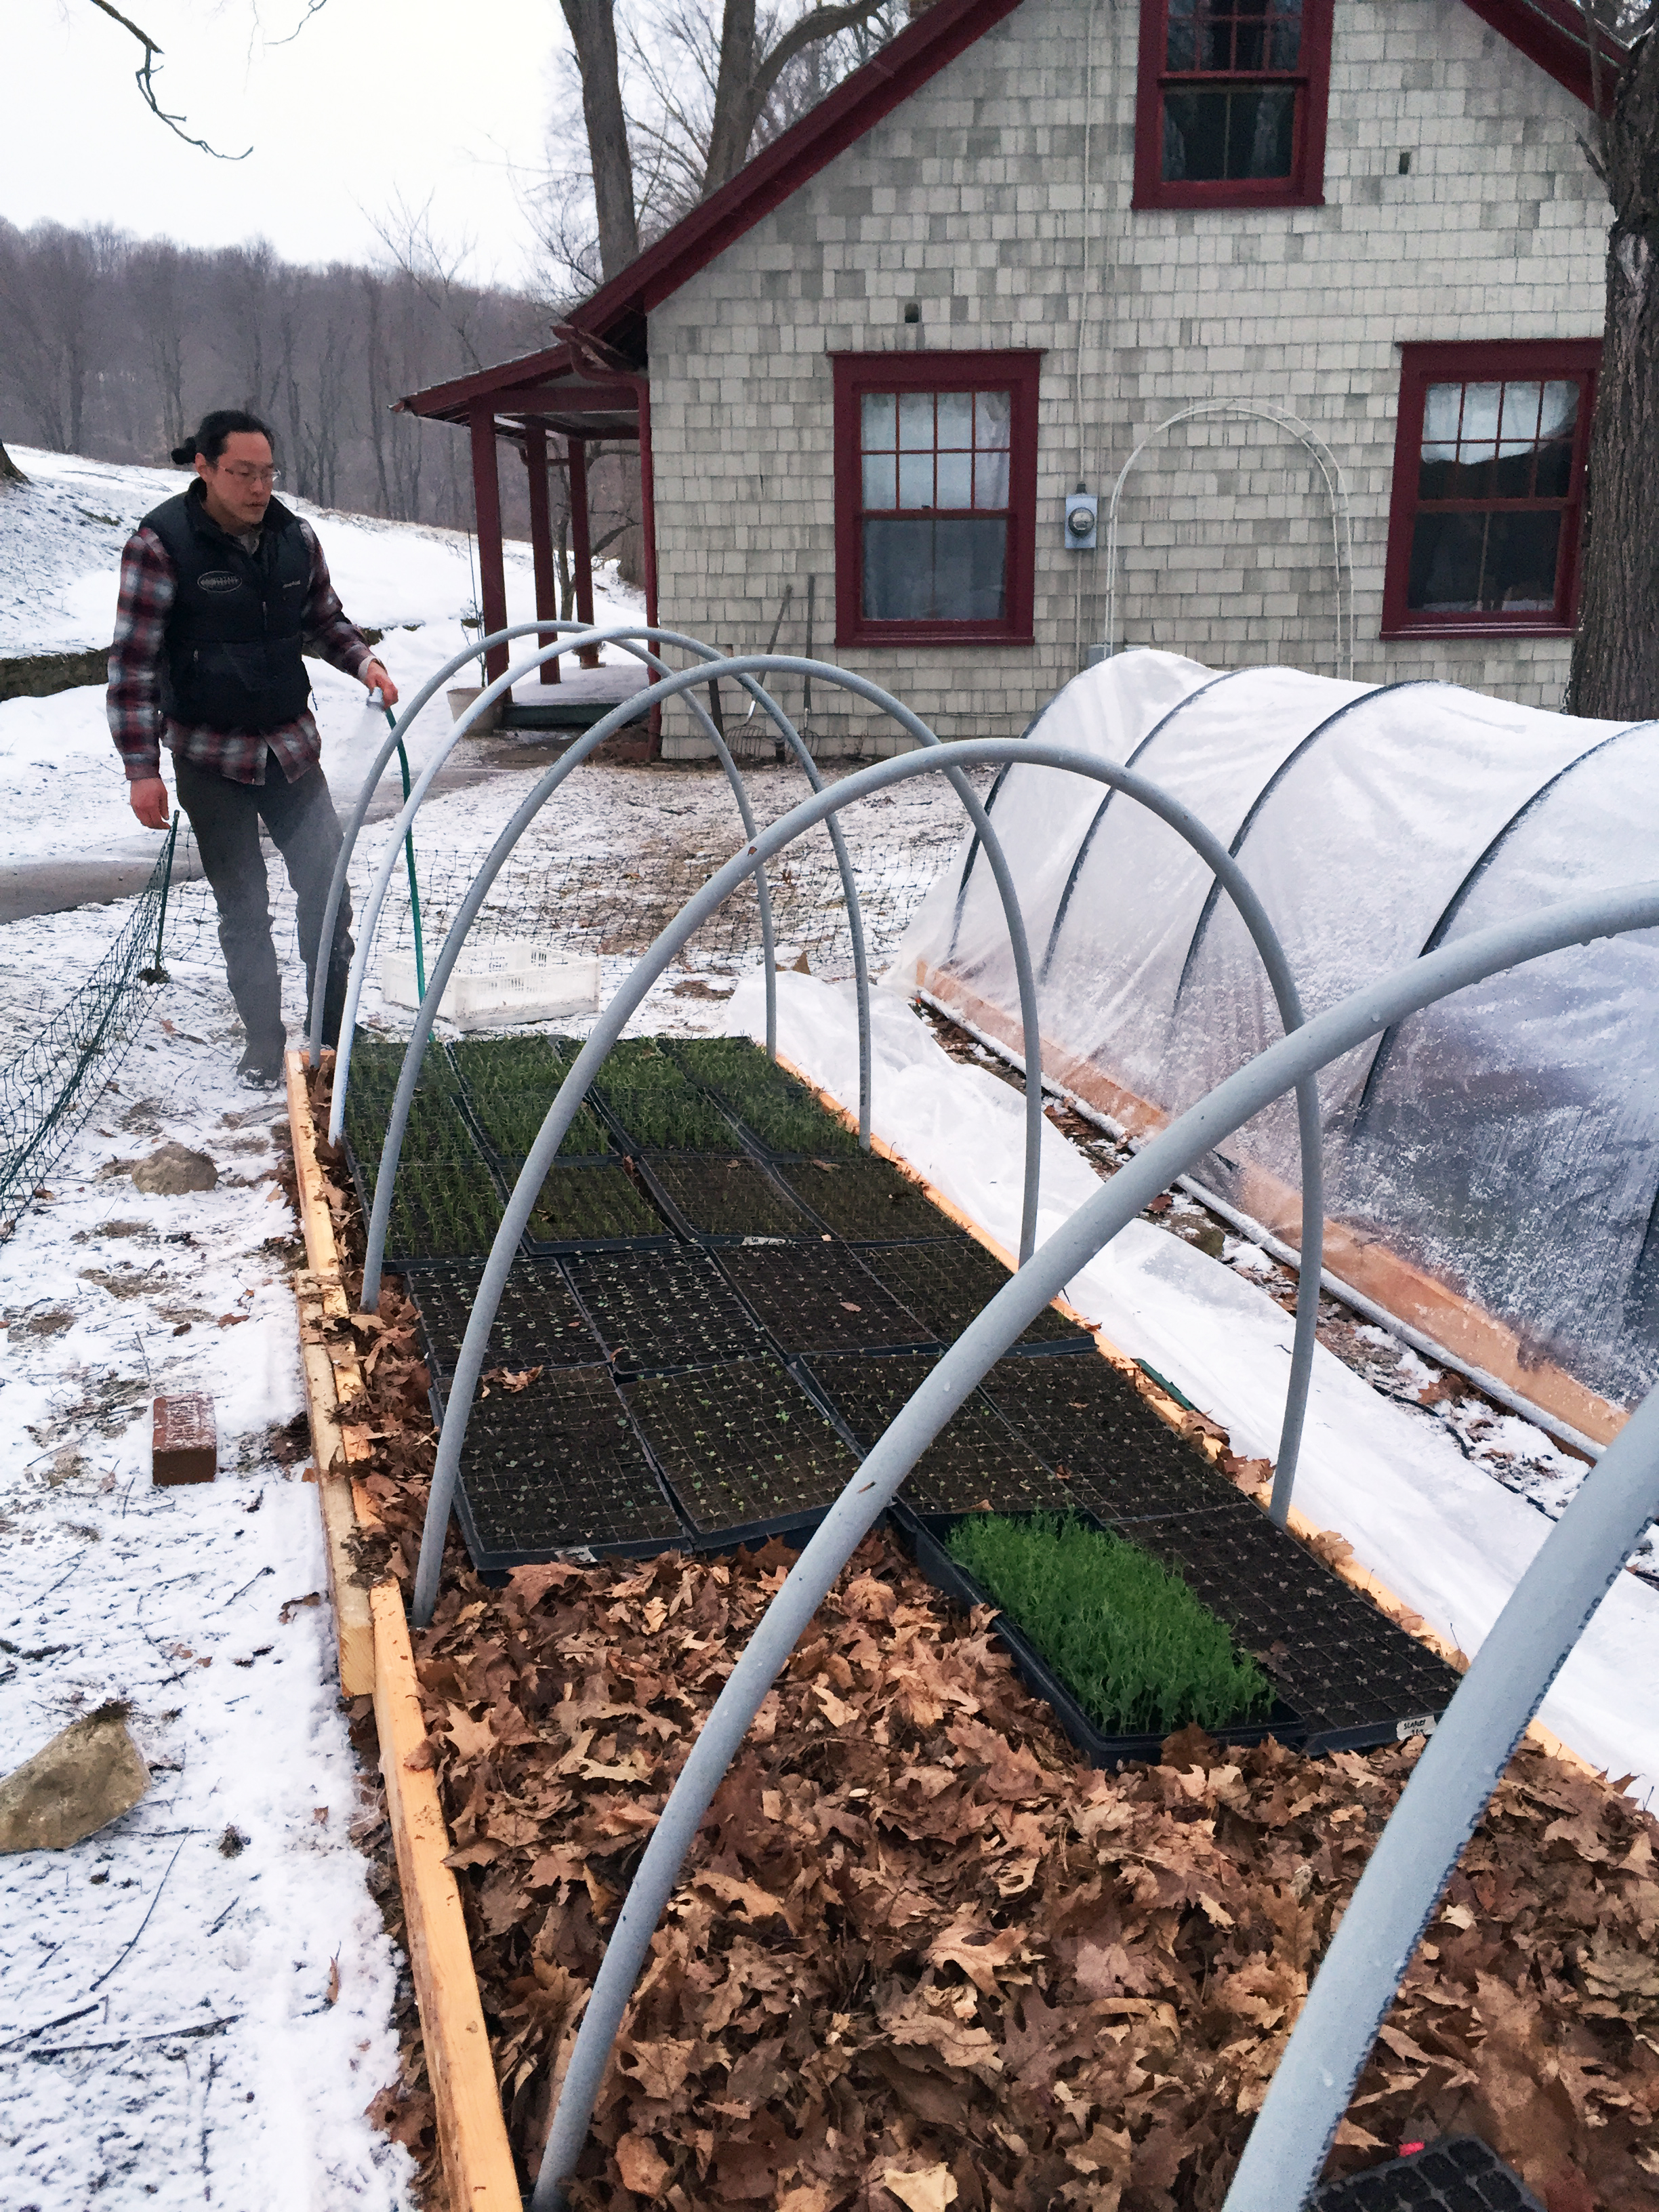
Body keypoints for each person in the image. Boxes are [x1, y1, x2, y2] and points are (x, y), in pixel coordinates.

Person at [107, 407, 401, 1087]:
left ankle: (330, 1032)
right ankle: (264, 1045)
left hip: (291, 752)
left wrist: (364, 664)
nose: (258, 486)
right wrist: (140, 769)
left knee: (327, 892)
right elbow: (133, 665)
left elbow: (323, 619)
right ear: (204, 468)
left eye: (267, 472)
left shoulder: (294, 539)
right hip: (210, 758)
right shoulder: (161, 545)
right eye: (242, 472)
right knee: (243, 904)